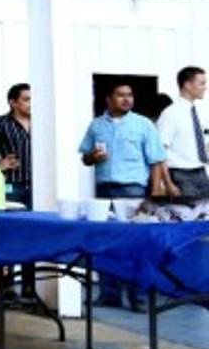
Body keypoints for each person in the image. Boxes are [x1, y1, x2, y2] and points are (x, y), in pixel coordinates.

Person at [78, 82, 167, 308]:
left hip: (133, 190)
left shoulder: (143, 124)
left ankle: (137, 297)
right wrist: (92, 158)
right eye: (120, 95)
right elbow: (85, 157)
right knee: (105, 241)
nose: (126, 99)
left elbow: (156, 159)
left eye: (129, 95)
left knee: (133, 243)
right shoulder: (97, 125)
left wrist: (156, 189)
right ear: (108, 99)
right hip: (104, 189)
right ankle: (109, 295)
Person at [157, 66, 209, 201]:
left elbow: (201, 143)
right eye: (202, 83)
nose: (205, 87)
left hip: (201, 172)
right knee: (187, 217)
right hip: (180, 174)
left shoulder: (199, 113)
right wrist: (167, 183)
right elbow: (159, 151)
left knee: (204, 216)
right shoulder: (170, 114)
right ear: (187, 85)